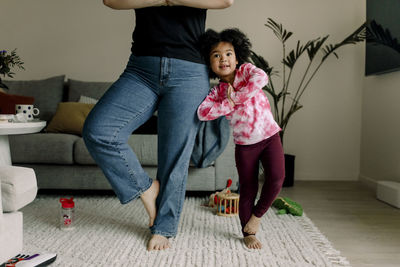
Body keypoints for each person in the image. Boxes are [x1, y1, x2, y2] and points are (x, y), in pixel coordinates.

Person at [82, 0, 233, 251]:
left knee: (175, 154)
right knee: (98, 130)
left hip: (190, 70)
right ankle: (146, 187)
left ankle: (163, 228)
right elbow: (111, 0)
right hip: (141, 69)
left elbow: (225, 0)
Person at [197, 28, 285, 249]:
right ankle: (247, 232)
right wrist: (229, 102)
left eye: (228, 53)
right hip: (245, 146)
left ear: (237, 58)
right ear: (210, 63)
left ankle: (257, 216)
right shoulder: (217, 92)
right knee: (248, 188)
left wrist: (236, 96)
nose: (223, 58)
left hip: (269, 136)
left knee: (276, 178)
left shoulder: (246, 72)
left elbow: (262, 77)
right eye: (216, 55)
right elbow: (203, 112)